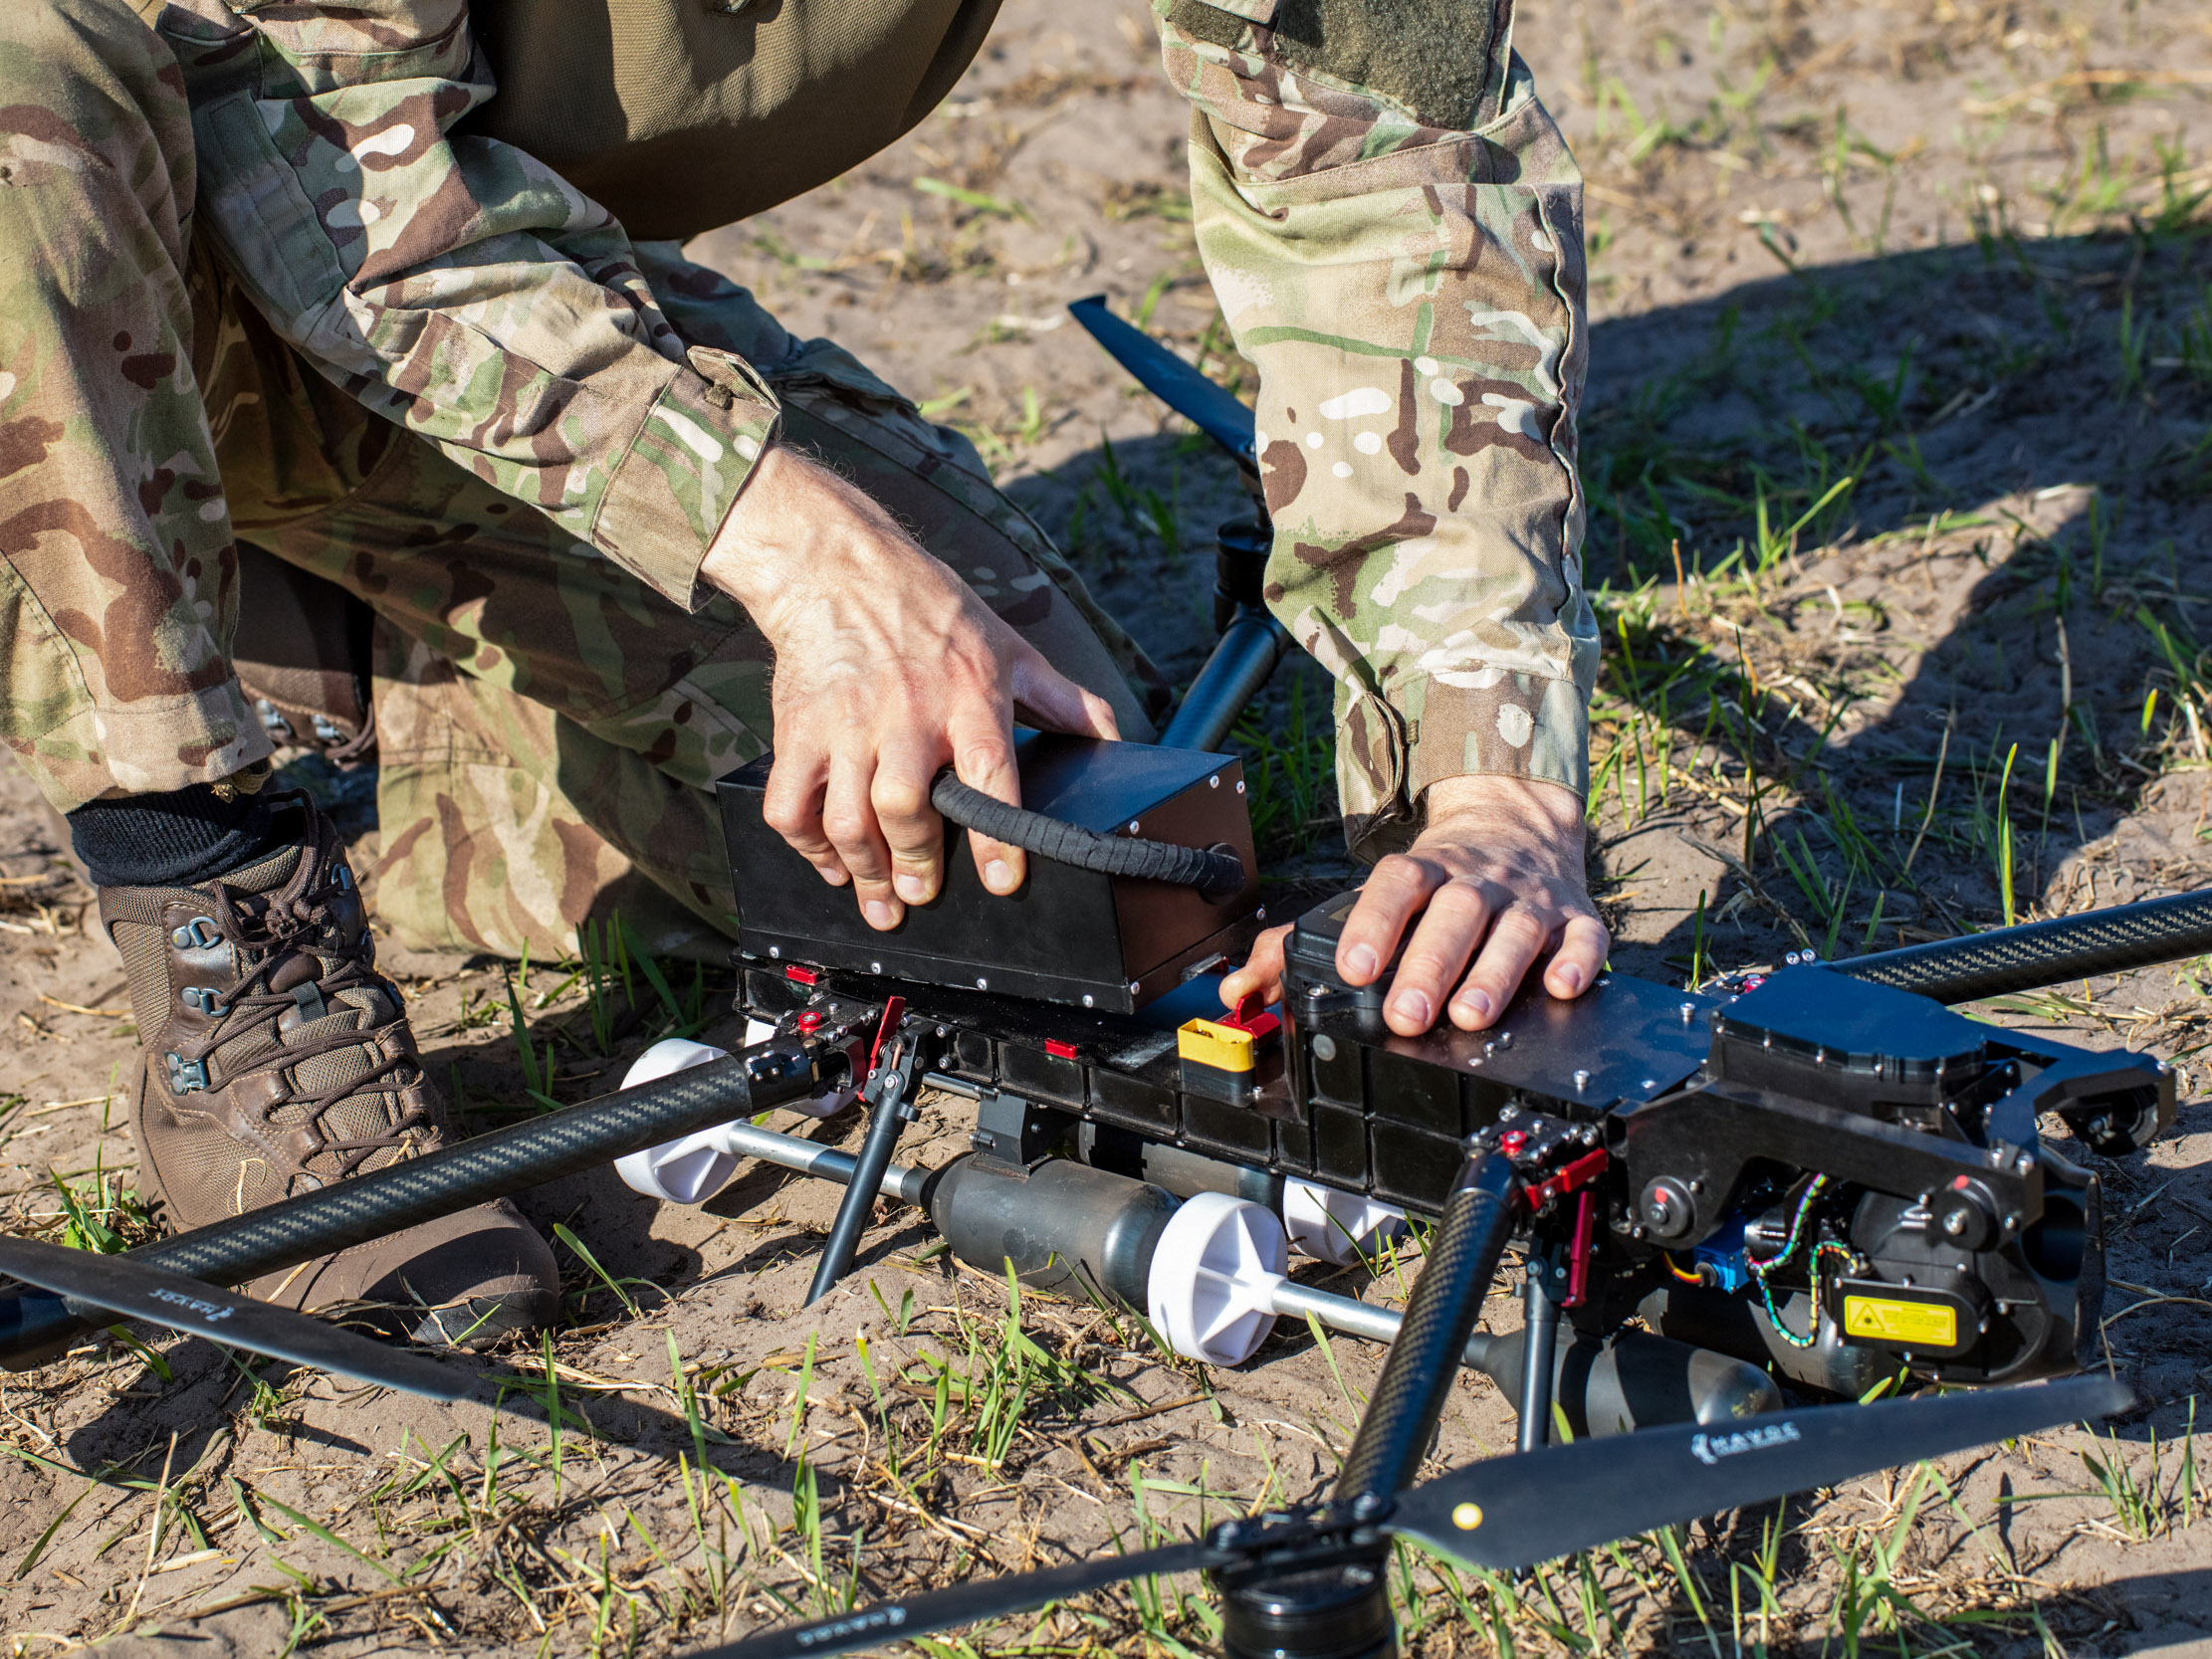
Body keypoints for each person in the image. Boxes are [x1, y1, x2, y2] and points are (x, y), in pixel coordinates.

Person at [0, 0, 1606, 1344]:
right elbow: (336, 176)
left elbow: (1391, 178)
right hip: (120, 226)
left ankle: (358, 634)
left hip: (498, 257)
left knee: (1038, 847)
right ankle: (209, 883)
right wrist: (800, 544)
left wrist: (1487, 773)